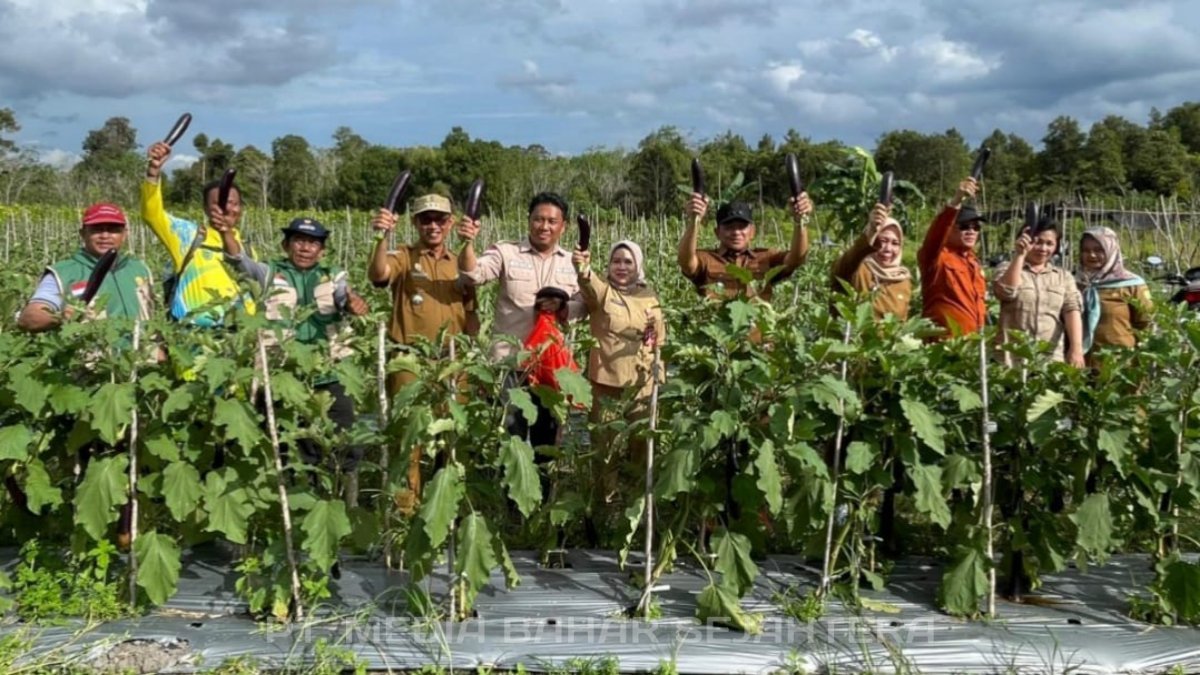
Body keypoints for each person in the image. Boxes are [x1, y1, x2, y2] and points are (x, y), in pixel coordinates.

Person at [218, 216, 369, 503]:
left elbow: (344, 295)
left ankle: (342, 505)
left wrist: (352, 301)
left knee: (345, 444)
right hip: (281, 375)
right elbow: (238, 260)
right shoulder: (268, 273)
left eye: (313, 242)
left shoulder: (333, 275)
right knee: (286, 448)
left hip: (331, 374)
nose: (305, 248)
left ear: (322, 250)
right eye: (299, 241)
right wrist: (225, 231)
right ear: (286, 245)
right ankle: (289, 506)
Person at [368, 194, 479, 512]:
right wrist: (381, 237)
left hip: (452, 362)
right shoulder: (403, 255)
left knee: (451, 437)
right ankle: (406, 513)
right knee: (410, 439)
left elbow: (471, 314)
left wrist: (474, 356)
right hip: (410, 360)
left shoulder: (461, 262)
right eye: (425, 219)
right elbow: (378, 275)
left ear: (451, 223)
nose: (433, 225)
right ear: (415, 223)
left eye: (440, 219)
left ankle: (444, 512)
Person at [458, 192, 586, 451]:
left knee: (546, 444)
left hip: (550, 367)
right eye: (539, 219)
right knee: (511, 443)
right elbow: (473, 274)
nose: (544, 226)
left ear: (564, 226)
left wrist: (563, 308)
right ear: (529, 221)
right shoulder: (507, 252)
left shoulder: (573, 263)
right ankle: (508, 492)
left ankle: (544, 490)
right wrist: (467, 243)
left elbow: (585, 305)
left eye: (552, 221)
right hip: (511, 365)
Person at [572, 241, 665, 544]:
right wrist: (582, 264)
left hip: (642, 383)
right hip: (607, 383)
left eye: (627, 261)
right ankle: (606, 509)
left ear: (637, 265)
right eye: (616, 261)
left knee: (642, 448)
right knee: (606, 449)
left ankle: (638, 507)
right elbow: (587, 281)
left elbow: (659, 338)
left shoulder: (650, 295)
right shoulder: (602, 293)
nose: (621, 267)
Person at [143, 142, 254, 325]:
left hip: (240, 340)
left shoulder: (246, 247)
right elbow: (152, 214)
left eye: (233, 203)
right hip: (194, 336)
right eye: (219, 203)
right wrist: (153, 173)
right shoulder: (188, 236)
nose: (227, 208)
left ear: (240, 208)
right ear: (205, 209)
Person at [18, 203, 154, 332]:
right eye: (96, 230)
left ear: (124, 235)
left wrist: (157, 350)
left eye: (113, 230)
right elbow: (29, 319)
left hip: (138, 355)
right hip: (92, 355)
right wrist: (60, 317)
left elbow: (151, 315)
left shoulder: (139, 269)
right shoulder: (63, 273)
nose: (105, 236)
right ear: (83, 234)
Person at [678, 192, 813, 300]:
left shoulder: (766, 258)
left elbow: (796, 259)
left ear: (752, 232)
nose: (736, 232)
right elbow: (686, 262)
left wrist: (800, 220)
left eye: (742, 227)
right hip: (717, 333)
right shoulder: (706, 259)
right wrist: (695, 220)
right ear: (717, 232)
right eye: (729, 227)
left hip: (757, 334)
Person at [992, 218, 1084, 366]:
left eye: (1049, 244)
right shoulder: (1006, 268)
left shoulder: (1063, 277)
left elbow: (1072, 310)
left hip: (1050, 358)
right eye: (1037, 242)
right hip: (1011, 358)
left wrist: (1076, 349)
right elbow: (1006, 292)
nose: (1043, 248)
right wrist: (1020, 256)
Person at [918, 177, 986, 337]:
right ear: (950, 230)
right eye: (964, 226)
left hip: (973, 345)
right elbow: (936, 234)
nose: (971, 231)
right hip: (944, 347)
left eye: (976, 227)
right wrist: (957, 200)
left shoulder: (974, 262)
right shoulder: (936, 257)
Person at [1076, 226, 1152, 355]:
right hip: (1082, 362)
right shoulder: (1072, 282)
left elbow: (1146, 322)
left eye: (1099, 250)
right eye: (1086, 250)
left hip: (1119, 360)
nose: (1091, 255)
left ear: (1111, 250)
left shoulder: (1131, 284)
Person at [830, 203, 911, 320]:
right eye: (883, 240)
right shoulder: (857, 267)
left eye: (895, 243)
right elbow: (845, 264)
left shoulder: (903, 280)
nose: (888, 249)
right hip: (850, 337)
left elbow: (901, 324)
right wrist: (872, 229)